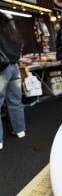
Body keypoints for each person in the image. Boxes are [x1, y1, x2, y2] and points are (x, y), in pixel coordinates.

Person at [0, 12, 26, 150]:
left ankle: (0, 141)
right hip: (14, 68)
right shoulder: (13, 34)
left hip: (1, 71)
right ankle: (20, 130)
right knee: (15, 101)